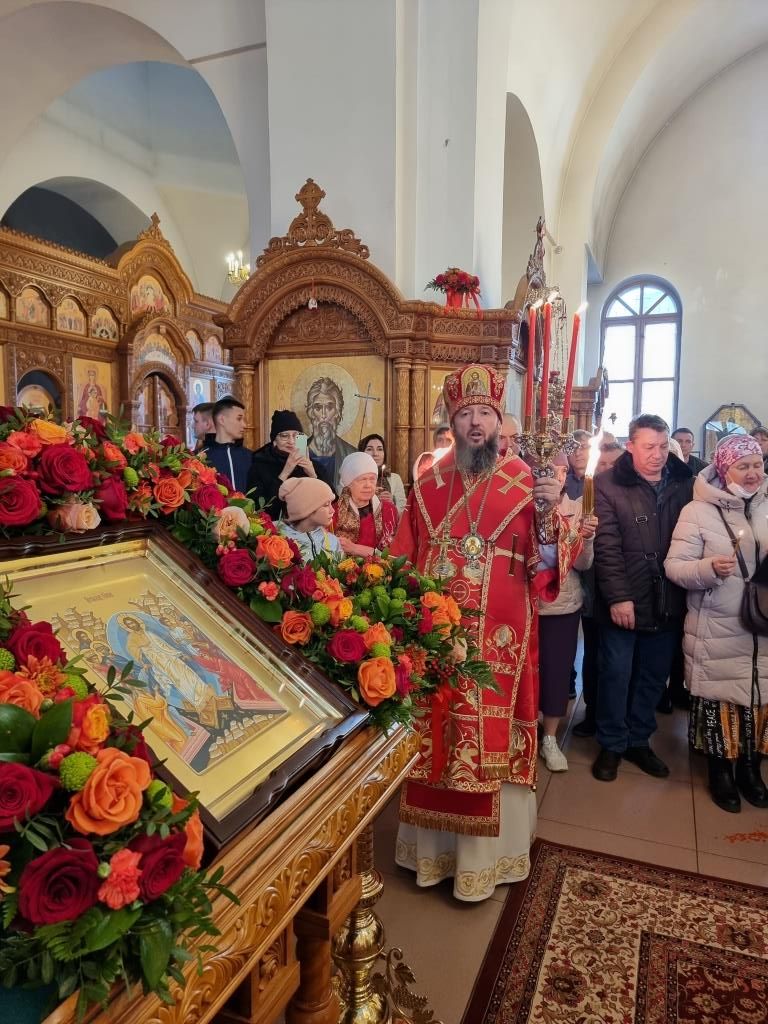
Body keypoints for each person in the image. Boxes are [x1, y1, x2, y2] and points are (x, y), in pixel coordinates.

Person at [390, 364, 579, 901]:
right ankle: (432, 858)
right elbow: (403, 557)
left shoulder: (526, 482)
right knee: (438, 735)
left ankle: (487, 862)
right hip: (436, 640)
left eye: (485, 413)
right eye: (465, 414)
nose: (475, 423)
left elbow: (550, 563)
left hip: (503, 641)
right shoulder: (427, 484)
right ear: (452, 422)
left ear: (499, 421)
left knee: (490, 739)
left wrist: (549, 516)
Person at [665, 435, 768, 813]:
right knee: (721, 701)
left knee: (760, 697)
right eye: (743, 466)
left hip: (764, 626)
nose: (753, 473)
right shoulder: (698, 511)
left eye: (757, 464)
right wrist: (707, 568)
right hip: (719, 624)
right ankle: (720, 770)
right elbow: (675, 567)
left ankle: (751, 769)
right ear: (725, 470)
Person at [592, 413, 693, 782]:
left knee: (653, 674)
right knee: (616, 673)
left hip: (668, 595)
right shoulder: (607, 484)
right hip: (625, 596)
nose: (658, 454)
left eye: (663, 446)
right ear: (630, 446)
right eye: (649, 446)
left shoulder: (684, 482)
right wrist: (619, 597)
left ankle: (638, 739)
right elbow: (606, 546)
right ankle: (612, 743)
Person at [538, 452, 597, 771]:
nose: (556, 476)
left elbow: (584, 564)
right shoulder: (521, 507)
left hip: (562, 604)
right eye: (549, 469)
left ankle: (549, 736)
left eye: (561, 470)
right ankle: (522, 729)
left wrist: (585, 540)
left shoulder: (576, 509)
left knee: (557, 670)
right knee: (524, 670)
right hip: (525, 602)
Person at [572, 441, 625, 738]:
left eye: (612, 464)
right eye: (601, 464)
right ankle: (592, 712)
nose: (606, 470)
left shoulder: (628, 496)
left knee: (616, 661)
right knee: (593, 655)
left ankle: (614, 718)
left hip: (621, 591)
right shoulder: (585, 500)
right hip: (592, 590)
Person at [247, 409, 333, 519]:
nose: (291, 441)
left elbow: (333, 501)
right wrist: (285, 473)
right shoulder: (259, 466)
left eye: (296, 436)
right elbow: (258, 509)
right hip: (274, 527)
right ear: (274, 440)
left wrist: (313, 475)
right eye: (284, 436)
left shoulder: (314, 465)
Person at [333, 452, 398, 556]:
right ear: (349, 483)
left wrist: (355, 549)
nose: (368, 485)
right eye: (362, 480)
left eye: (372, 479)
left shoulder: (388, 509)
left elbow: (392, 553)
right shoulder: (333, 512)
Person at [305, 377, 356, 491]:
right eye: (318, 407)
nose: (324, 415)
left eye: (329, 407)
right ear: (311, 412)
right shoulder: (299, 452)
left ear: (338, 412)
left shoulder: (351, 454)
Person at [277, 477, 342, 562]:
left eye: (331, 504)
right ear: (306, 508)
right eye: (326, 505)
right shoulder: (275, 537)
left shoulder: (333, 542)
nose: (332, 510)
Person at [201, 396, 253, 492]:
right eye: (239, 419)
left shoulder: (251, 457)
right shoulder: (200, 458)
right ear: (222, 420)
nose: (244, 425)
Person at [359, 433, 406, 514]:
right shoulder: (353, 478)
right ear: (361, 453)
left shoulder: (395, 478)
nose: (375, 454)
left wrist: (391, 503)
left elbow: (403, 512)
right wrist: (369, 498)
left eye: (380, 449)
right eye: (369, 449)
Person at [565, 429, 590, 499]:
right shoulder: (562, 481)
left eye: (583, 447)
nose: (577, 453)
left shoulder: (602, 482)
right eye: (573, 448)